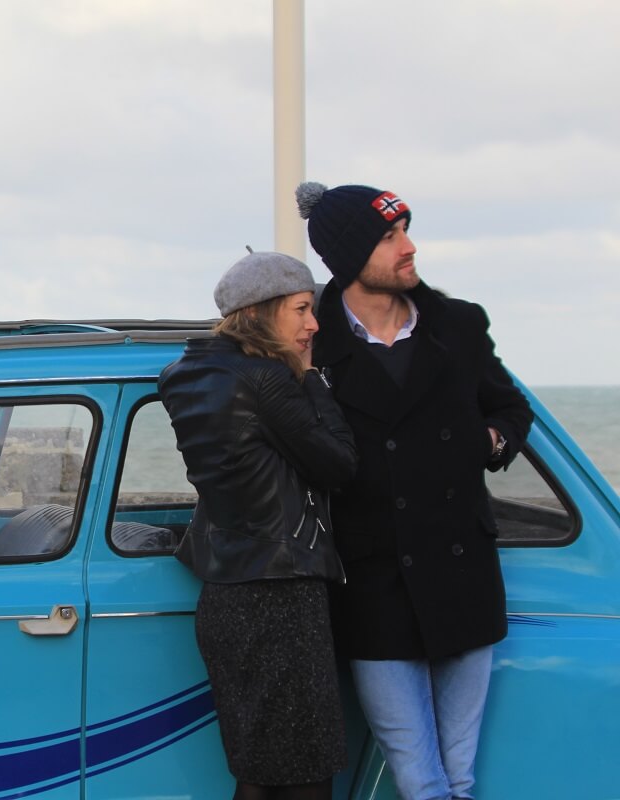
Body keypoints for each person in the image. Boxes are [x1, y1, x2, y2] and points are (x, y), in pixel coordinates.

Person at [296, 181, 534, 800]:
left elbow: (510, 408)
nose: (409, 246)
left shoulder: (454, 325)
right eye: (389, 235)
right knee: (421, 779)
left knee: (458, 775)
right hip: (373, 581)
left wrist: (487, 444)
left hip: (463, 571)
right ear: (350, 256)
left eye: (406, 229)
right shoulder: (311, 340)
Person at [158, 250, 358, 800]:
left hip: (227, 596)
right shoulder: (267, 379)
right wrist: (314, 379)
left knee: (261, 770)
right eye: (300, 309)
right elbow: (340, 464)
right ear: (263, 311)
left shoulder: (183, 375)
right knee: (305, 776)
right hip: (282, 594)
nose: (312, 324)